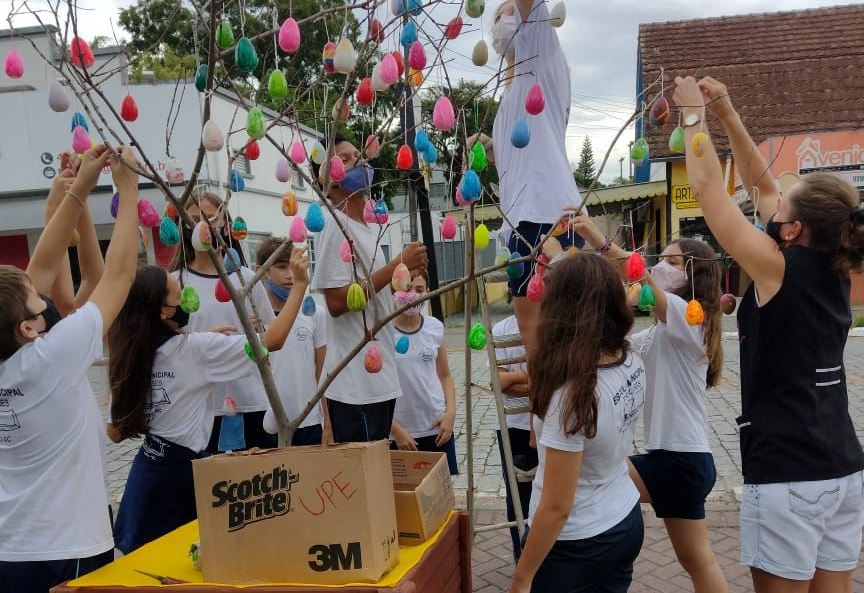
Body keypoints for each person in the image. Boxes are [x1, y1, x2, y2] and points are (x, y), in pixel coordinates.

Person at [672, 75, 864, 593]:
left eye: (785, 205)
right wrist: (728, 113)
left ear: (795, 229)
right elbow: (762, 185)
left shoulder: (777, 268)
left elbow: (712, 193)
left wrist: (694, 117)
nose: (773, 203)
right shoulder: (835, 268)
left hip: (788, 473)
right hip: (843, 470)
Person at [559, 216, 729, 593]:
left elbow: (637, 276)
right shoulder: (659, 331)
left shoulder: (691, 318)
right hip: (680, 461)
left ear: (693, 274)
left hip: (679, 460)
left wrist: (595, 238)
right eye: (660, 259)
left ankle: (591, 572)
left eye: (670, 262)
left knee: (598, 487)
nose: (657, 267)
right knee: (698, 562)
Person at [0, 145, 140, 591]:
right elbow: (118, 276)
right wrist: (128, 189)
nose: (45, 297)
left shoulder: (17, 351)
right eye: (37, 301)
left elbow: (39, 266)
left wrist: (76, 191)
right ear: (26, 327)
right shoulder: (49, 359)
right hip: (69, 550)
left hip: (12, 548)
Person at [109, 247, 310, 553]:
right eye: (178, 296)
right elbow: (271, 342)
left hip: (148, 471)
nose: (186, 299)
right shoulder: (194, 351)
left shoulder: (132, 350)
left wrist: (206, 340)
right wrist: (299, 286)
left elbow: (116, 430)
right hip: (174, 482)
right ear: (162, 310)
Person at [509, 253, 645, 593]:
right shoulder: (630, 360)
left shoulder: (574, 396)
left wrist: (523, 575)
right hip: (624, 519)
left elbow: (556, 508)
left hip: (576, 544)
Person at [474, 0, 584, 360]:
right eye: (497, 18)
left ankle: (563, 414)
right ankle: (544, 416)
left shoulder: (540, 49)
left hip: (547, 215)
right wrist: (490, 150)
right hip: (522, 218)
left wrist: (521, 12)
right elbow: (523, 152)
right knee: (535, 344)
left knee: (560, 342)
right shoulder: (514, 91)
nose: (501, 23)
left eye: (509, 14)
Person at [311, 135, 428, 443]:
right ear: (329, 180)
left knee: (376, 478)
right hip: (354, 388)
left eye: (357, 155)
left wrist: (403, 274)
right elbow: (337, 302)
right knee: (363, 482)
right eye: (345, 160)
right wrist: (394, 266)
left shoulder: (370, 226)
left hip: (378, 378)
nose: (359, 162)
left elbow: (373, 294)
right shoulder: (334, 225)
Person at [168, 190, 276, 452]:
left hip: (253, 402)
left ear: (225, 224)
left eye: (211, 218)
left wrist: (258, 333)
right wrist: (202, 340)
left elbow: (272, 337)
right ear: (183, 226)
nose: (203, 225)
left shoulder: (246, 278)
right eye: (194, 219)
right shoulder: (174, 283)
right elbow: (166, 348)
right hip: (200, 406)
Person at [256, 237, 331, 446]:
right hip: (267, 424)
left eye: (293, 267)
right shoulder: (251, 318)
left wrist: (327, 423)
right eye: (281, 267)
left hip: (309, 422)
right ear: (261, 271)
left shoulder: (314, 313)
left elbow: (322, 373)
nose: (290, 275)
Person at [390, 272, 458, 475]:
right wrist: (395, 430)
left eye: (419, 290)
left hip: (436, 429)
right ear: (395, 291)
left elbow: (444, 375)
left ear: (428, 292)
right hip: (400, 434)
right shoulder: (383, 332)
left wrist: (450, 414)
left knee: (440, 500)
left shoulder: (434, 327)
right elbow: (373, 389)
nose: (413, 296)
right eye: (406, 289)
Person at [492, 311, 535, 563]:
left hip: (547, 423)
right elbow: (497, 382)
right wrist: (533, 380)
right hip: (513, 425)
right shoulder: (501, 329)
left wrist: (512, 379)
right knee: (518, 496)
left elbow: (554, 377)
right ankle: (522, 558)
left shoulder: (551, 321)